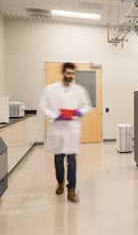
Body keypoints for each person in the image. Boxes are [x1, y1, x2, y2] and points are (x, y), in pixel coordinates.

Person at [39, 62, 91, 203]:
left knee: (72, 161)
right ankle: (60, 182)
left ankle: (72, 190)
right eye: (68, 73)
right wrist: (55, 116)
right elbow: (43, 106)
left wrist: (79, 111)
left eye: (73, 74)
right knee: (58, 160)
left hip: (72, 129)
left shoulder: (79, 90)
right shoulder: (50, 89)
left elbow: (86, 106)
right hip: (56, 129)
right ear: (63, 73)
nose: (70, 76)